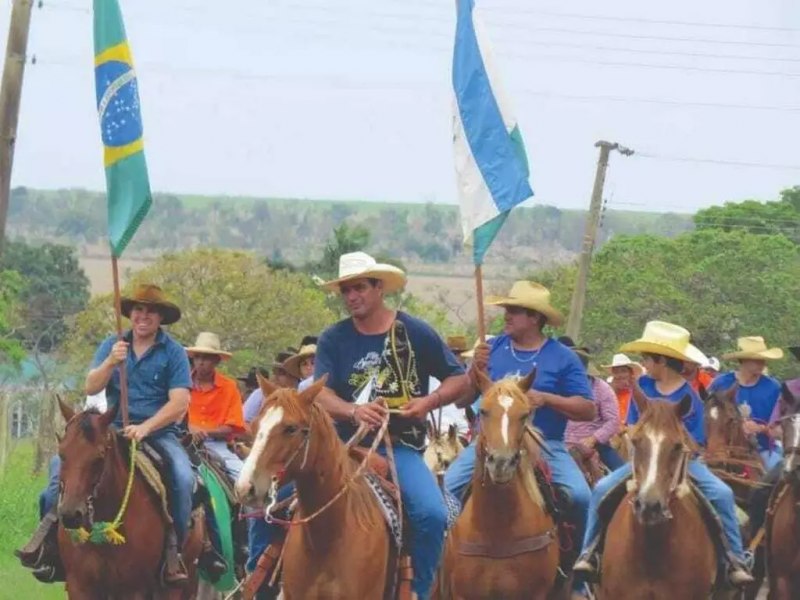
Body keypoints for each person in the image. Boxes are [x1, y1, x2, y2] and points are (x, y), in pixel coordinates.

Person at [311, 251, 469, 600]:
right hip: (343, 447)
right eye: (346, 291)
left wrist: (428, 402)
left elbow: (459, 379)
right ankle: (263, 582)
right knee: (274, 506)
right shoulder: (332, 338)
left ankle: (420, 592)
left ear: (379, 288)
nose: (352, 297)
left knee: (431, 514)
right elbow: (319, 394)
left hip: (399, 448)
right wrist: (353, 411)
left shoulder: (415, 331)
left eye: (359, 288)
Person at [17, 284, 194, 584]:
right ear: (130, 314)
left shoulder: (174, 352)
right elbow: (90, 387)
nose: (143, 315)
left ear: (161, 317)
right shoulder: (112, 344)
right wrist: (112, 361)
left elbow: (180, 402)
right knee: (58, 471)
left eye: (151, 310)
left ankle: (173, 550)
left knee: (182, 476)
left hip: (157, 433)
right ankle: (49, 549)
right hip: (110, 429)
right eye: (138, 309)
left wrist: (146, 427)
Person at [444, 281, 596, 596]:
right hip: (487, 442)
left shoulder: (562, 357)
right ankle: (442, 565)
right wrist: (473, 374)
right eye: (507, 310)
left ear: (535, 318)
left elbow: (587, 408)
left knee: (581, 497)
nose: (506, 316)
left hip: (545, 444)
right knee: (447, 489)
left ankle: (578, 577)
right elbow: (461, 402)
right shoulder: (492, 349)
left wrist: (547, 399)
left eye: (514, 311)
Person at [574, 321, 754, 587]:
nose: (644, 364)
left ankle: (734, 560)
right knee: (601, 488)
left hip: (682, 462)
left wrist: (674, 438)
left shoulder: (689, 395)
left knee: (723, 494)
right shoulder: (642, 387)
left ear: (661, 360)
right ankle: (589, 554)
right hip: (643, 460)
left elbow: (697, 438)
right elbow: (633, 424)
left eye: (646, 359)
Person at [710, 336, 784, 470]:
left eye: (763, 359)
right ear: (743, 360)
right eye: (757, 359)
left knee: (778, 473)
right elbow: (709, 418)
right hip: (725, 449)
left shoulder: (773, 387)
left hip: (763, 449)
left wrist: (761, 428)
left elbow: (780, 428)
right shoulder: (721, 383)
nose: (762, 363)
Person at [186, 332, 246, 480]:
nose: (200, 362)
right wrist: (189, 429)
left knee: (244, 480)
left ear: (216, 361)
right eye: (197, 357)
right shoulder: (181, 384)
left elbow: (232, 426)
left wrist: (204, 432)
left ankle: (247, 503)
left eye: (206, 358)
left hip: (217, 445)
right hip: (182, 441)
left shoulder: (229, 387)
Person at [561, 337, 624, 471]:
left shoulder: (602, 388)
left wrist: (594, 438)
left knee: (623, 478)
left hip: (594, 445)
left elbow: (613, 421)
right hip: (559, 445)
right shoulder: (558, 387)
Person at [602, 353, 643, 424]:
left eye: (623, 371)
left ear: (631, 373)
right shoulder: (608, 391)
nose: (620, 375)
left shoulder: (639, 390)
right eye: (616, 372)